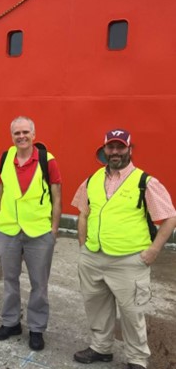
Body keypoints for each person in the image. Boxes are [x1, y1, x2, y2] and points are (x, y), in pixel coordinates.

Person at [71, 129, 176, 369]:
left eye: (120, 147)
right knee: (96, 307)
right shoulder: (93, 179)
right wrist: (83, 247)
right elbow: (83, 213)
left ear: (130, 149)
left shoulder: (144, 182)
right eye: (111, 147)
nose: (115, 152)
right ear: (104, 149)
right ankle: (101, 348)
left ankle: (137, 359)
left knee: (132, 314)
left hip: (128, 261)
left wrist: (153, 251)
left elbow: (170, 217)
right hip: (94, 257)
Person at [0, 116, 62, 351]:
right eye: (16, 133)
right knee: (10, 280)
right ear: (11, 136)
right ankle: (11, 322)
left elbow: (57, 195)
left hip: (39, 231)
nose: (21, 137)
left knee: (39, 283)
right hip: (8, 229)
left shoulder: (47, 160)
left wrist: (53, 229)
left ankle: (37, 328)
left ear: (33, 134)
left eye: (25, 132)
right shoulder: (5, 157)